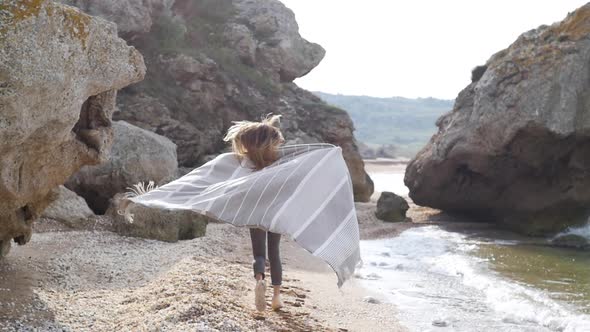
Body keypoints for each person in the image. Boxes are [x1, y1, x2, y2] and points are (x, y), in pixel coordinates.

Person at [223, 114, 285, 312]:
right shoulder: (279, 160)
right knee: (274, 252)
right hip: (276, 212)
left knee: (259, 253)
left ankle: (259, 281)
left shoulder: (245, 162)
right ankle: (276, 296)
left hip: (255, 211)